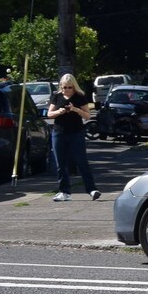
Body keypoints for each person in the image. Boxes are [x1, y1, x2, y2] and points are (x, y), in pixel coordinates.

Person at [47, 74, 99, 203]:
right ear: (61, 86)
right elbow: (49, 114)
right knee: (61, 164)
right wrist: (60, 111)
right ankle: (64, 191)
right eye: (64, 87)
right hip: (59, 132)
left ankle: (91, 189)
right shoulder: (57, 96)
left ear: (74, 86)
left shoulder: (80, 97)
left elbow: (87, 116)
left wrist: (75, 109)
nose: (67, 90)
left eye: (70, 87)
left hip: (76, 132)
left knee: (81, 161)